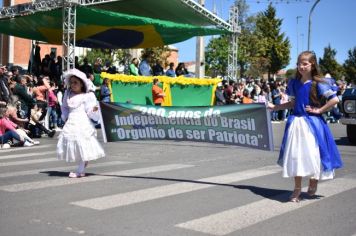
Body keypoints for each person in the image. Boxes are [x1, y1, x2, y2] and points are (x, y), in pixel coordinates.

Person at [268, 51, 343, 202]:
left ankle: (314, 180)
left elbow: (334, 100)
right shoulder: (294, 83)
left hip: (312, 123)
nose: (301, 67)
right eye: (299, 64)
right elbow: (293, 103)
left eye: (305, 63)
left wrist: (320, 110)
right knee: (296, 156)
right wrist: (275, 108)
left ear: (312, 64)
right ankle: (296, 189)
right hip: (296, 122)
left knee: (313, 154)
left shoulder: (318, 83)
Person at [57, 68, 105, 178]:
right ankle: (82, 165)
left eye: (76, 83)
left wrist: (94, 110)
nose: (73, 85)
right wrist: (65, 117)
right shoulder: (67, 93)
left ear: (82, 84)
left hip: (82, 122)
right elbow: (64, 107)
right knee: (73, 143)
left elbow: (90, 111)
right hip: (71, 121)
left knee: (82, 143)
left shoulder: (87, 96)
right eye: (71, 82)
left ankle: (80, 169)